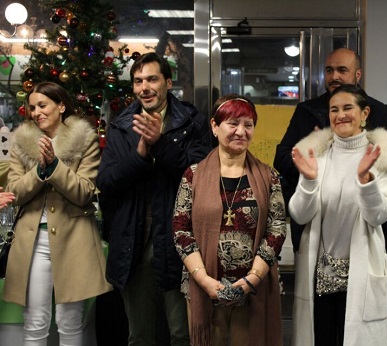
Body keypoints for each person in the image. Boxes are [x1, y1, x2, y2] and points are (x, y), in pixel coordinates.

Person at [96, 52, 210, 345]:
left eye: (151, 79)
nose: (144, 87)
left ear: (168, 82)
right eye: (137, 81)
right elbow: (106, 182)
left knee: (183, 333)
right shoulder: (121, 126)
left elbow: (199, 174)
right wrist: (139, 157)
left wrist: (160, 144)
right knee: (140, 335)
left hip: (181, 243)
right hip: (135, 243)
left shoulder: (191, 121)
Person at [290, 84, 387, 346]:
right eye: (334, 109)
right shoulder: (316, 154)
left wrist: (366, 180)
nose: (340, 115)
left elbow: (379, 215)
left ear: (364, 113)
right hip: (319, 274)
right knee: (320, 338)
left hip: (361, 272)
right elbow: (299, 214)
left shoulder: (382, 156)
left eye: (348, 108)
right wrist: (309, 181)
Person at [3, 81, 112, 345]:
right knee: (35, 323)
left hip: (74, 240)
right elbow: (14, 192)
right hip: (32, 244)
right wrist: (40, 172)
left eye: (43, 105)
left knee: (70, 323)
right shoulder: (21, 142)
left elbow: (84, 192)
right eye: (32, 107)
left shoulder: (84, 140)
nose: (36, 112)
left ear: (61, 106)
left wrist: (54, 166)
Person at [173, 94, 286, 346]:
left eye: (248, 124)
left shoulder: (269, 176)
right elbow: (181, 230)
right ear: (214, 126)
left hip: (253, 292)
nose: (241, 131)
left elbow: (276, 230)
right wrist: (205, 281)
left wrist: (251, 280)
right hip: (204, 288)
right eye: (232, 123)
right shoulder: (193, 176)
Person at [274, 47, 387, 253]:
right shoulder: (307, 110)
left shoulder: (380, 112)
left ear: (357, 75)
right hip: (314, 221)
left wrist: (357, 166)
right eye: (329, 71)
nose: (334, 76)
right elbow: (282, 157)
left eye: (342, 70)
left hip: (364, 225)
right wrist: (312, 167)